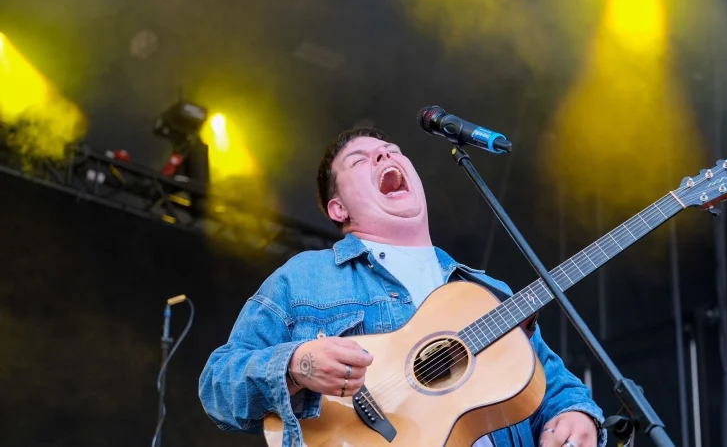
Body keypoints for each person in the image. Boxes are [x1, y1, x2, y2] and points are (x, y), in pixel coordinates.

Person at [198, 128, 607, 447]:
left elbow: (551, 384)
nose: (385, 154)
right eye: (360, 160)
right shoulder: (304, 277)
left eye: (392, 150)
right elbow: (218, 385)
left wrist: (576, 415)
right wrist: (298, 363)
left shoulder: (486, 290)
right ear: (339, 208)